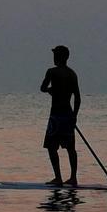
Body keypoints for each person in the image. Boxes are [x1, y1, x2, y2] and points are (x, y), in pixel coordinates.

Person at [41, 45, 80, 186]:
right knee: (71, 148)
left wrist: (51, 90)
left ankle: (58, 177)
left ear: (58, 57)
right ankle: (73, 178)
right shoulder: (72, 74)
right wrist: (74, 116)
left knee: (52, 147)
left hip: (56, 116)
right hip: (68, 115)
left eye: (55, 55)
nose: (53, 57)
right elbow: (77, 98)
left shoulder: (51, 72)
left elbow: (42, 88)